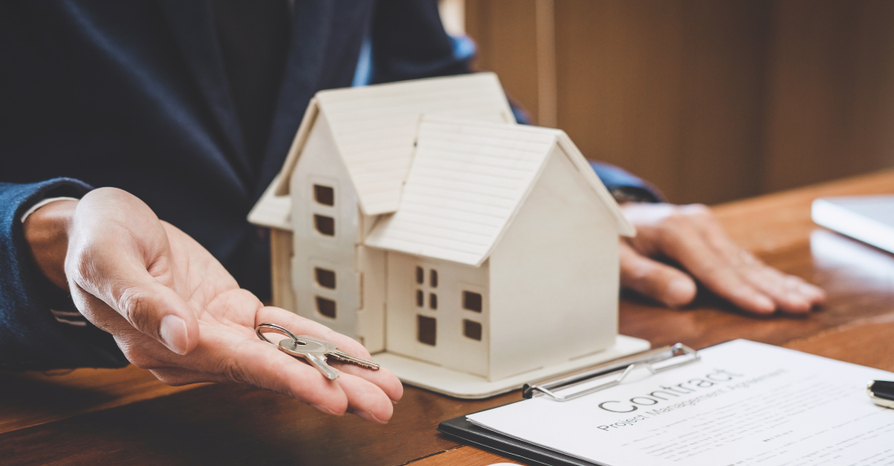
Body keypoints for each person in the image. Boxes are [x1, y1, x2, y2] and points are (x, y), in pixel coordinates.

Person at [0, 1, 824, 424]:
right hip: (76, 406)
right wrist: (46, 236)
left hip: (329, 395)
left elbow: (432, 76)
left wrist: (569, 202)